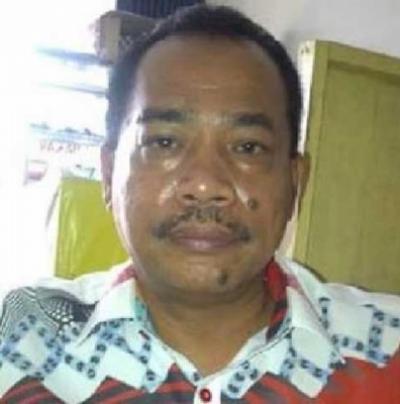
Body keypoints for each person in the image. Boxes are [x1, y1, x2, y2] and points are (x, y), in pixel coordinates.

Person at [1, 5, 399, 403]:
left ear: (296, 182)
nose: (206, 185)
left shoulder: (389, 347)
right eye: (164, 142)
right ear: (108, 174)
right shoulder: (19, 336)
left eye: (248, 147)